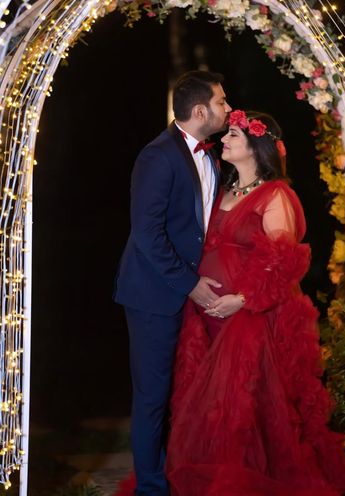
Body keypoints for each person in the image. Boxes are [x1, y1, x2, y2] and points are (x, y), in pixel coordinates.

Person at [166, 110, 345, 496]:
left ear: (257, 145)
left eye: (233, 135)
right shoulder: (223, 190)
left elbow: (283, 260)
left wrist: (242, 299)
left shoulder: (276, 195)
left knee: (244, 407)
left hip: (250, 318)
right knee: (210, 407)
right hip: (209, 316)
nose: (224, 140)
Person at [114, 70, 232, 496]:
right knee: (152, 395)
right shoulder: (157, 156)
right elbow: (147, 234)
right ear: (200, 111)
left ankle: (179, 472)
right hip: (153, 293)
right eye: (221, 101)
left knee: (185, 390)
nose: (227, 108)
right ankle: (150, 488)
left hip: (190, 291)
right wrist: (190, 284)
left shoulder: (213, 157)